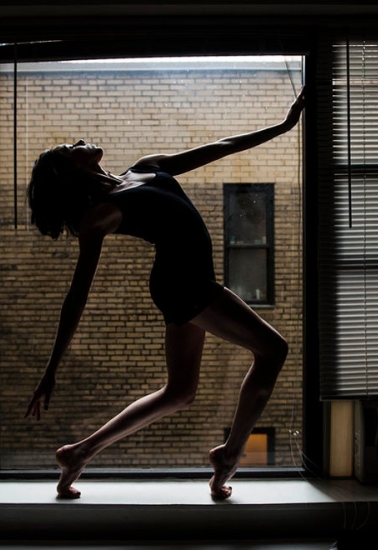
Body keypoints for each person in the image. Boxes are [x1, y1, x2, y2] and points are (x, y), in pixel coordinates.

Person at [25, 87, 306, 500]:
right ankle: (229, 457)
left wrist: (284, 126)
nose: (82, 141)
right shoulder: (98, 215)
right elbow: (76, 296)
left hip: (184, 283)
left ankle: (79, 453)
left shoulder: (144, 166)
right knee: (273, 350)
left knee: (179, 393)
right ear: (68, 171)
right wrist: (51, 370)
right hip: (185, 284)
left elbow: (221, 147)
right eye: (73, 147)